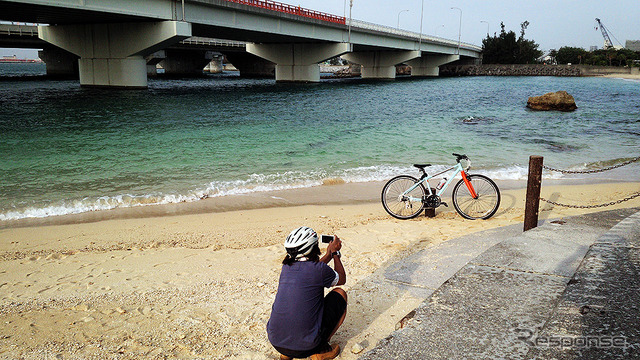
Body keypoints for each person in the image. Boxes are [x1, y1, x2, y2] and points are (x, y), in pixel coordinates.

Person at [267, 226, 347, 360]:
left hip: (277, 342)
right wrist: (335, 254)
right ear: (313, 247)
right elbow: (341, 278)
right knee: (340, 294)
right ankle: (320, 351)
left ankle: (287, 354)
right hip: (307, 347)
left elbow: (313, 270)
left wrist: (328, 254)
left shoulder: (286, 267)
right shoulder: (318, 270)